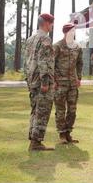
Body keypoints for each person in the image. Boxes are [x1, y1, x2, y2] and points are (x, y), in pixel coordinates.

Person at [24, 13, 55, 152]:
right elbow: (44, 62)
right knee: (42, 110)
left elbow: (27, 62)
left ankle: (33, 139)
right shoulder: (45, 39)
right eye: (51, 23)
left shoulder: (30, 39)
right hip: (41, 81)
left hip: (32, 80)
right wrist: (45, 82)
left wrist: (28, 80)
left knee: (35, 110)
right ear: (46, 23)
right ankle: (36, 142)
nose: (52, 26)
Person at [53, 23, 83, 144]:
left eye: (74, 31)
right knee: (60, 109)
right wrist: (54, 80)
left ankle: (68, 133)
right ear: (65, 32)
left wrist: (79, 77)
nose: (73, 33)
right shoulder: (57, 46)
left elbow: (80, 63)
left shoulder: (77, 46)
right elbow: (51, 64)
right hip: (60, 83)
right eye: (70, 31)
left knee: (72, 110)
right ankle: (61, 134)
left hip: (72, 84)